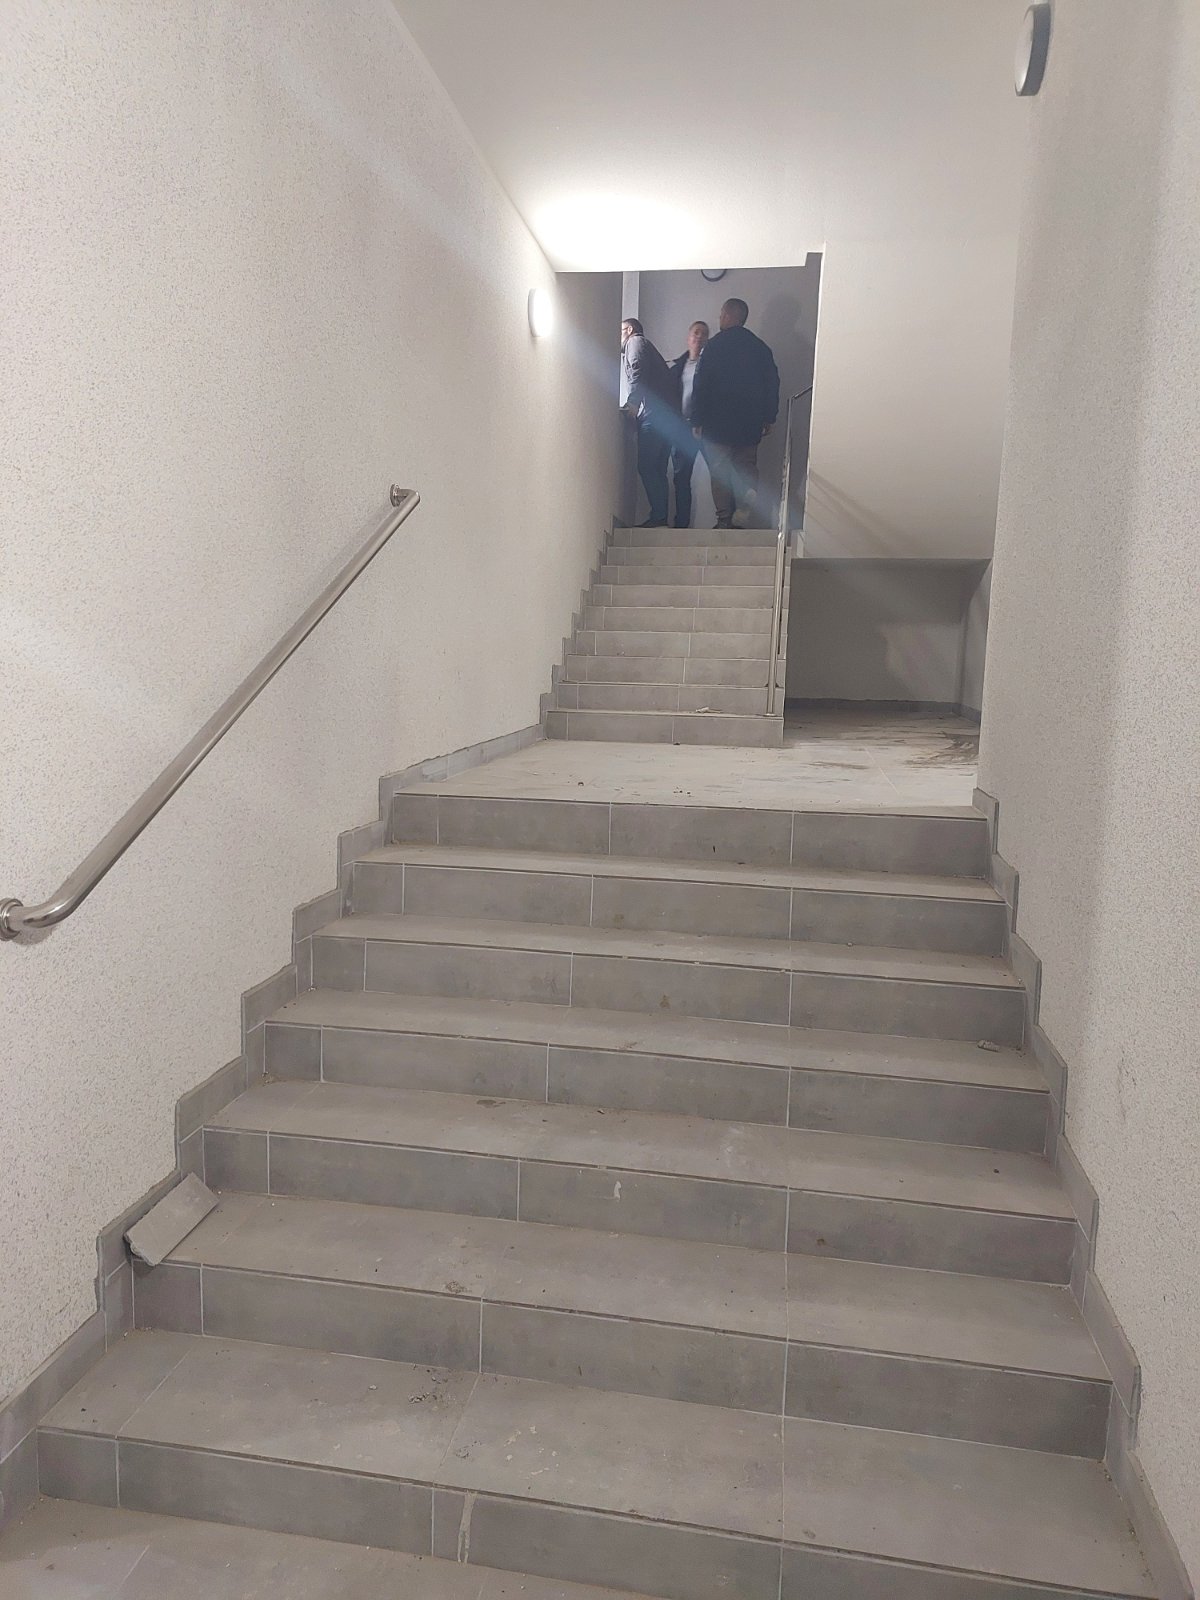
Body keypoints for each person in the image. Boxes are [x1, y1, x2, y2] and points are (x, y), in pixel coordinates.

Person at [690, 298, 779, 528]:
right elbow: (772, 383)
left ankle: (724, 519)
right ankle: (746, 499)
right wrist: (769, 417)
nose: (719, 318)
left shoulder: (714, 347)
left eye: (721, 314)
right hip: (750, 422)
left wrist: (696, 419)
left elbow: (701, 384)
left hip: (717, 423)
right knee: (746, 466)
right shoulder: (760, 348)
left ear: (729, 316)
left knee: (720, 471)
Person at [620, 317, 676, 528]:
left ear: (630, 330)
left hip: (655, 415)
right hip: (668, 416)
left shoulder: (635, 342)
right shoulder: (646, 346)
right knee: (658, 468)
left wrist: (633, 403)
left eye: (621, 330)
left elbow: (637, 369)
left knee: (647, 466)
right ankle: (660, 517)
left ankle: (659, 516)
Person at [667, 320, 709, 527]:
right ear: (689, 337)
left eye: (704, 334)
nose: (699, 337)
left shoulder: (710, 367)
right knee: (681, 477)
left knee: (719, 474)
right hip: (682, 428)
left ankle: (726, 521)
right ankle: (681, 523)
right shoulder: (677, 368)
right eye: (696, 332)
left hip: (706, 429)